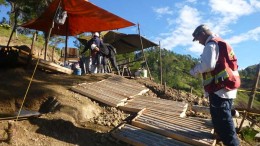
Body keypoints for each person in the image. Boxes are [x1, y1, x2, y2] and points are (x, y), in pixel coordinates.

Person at [189, 24, 240, 146]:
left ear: (202, 33)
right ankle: (222, 138)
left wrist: (194, 70)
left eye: (198, 39)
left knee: (223, 119)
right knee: (217, 117)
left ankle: (233, 144)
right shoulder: (219, 42)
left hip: (221, 88)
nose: (199, 42)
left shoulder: (211, 44)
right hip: (226, 86)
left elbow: (208, 65)